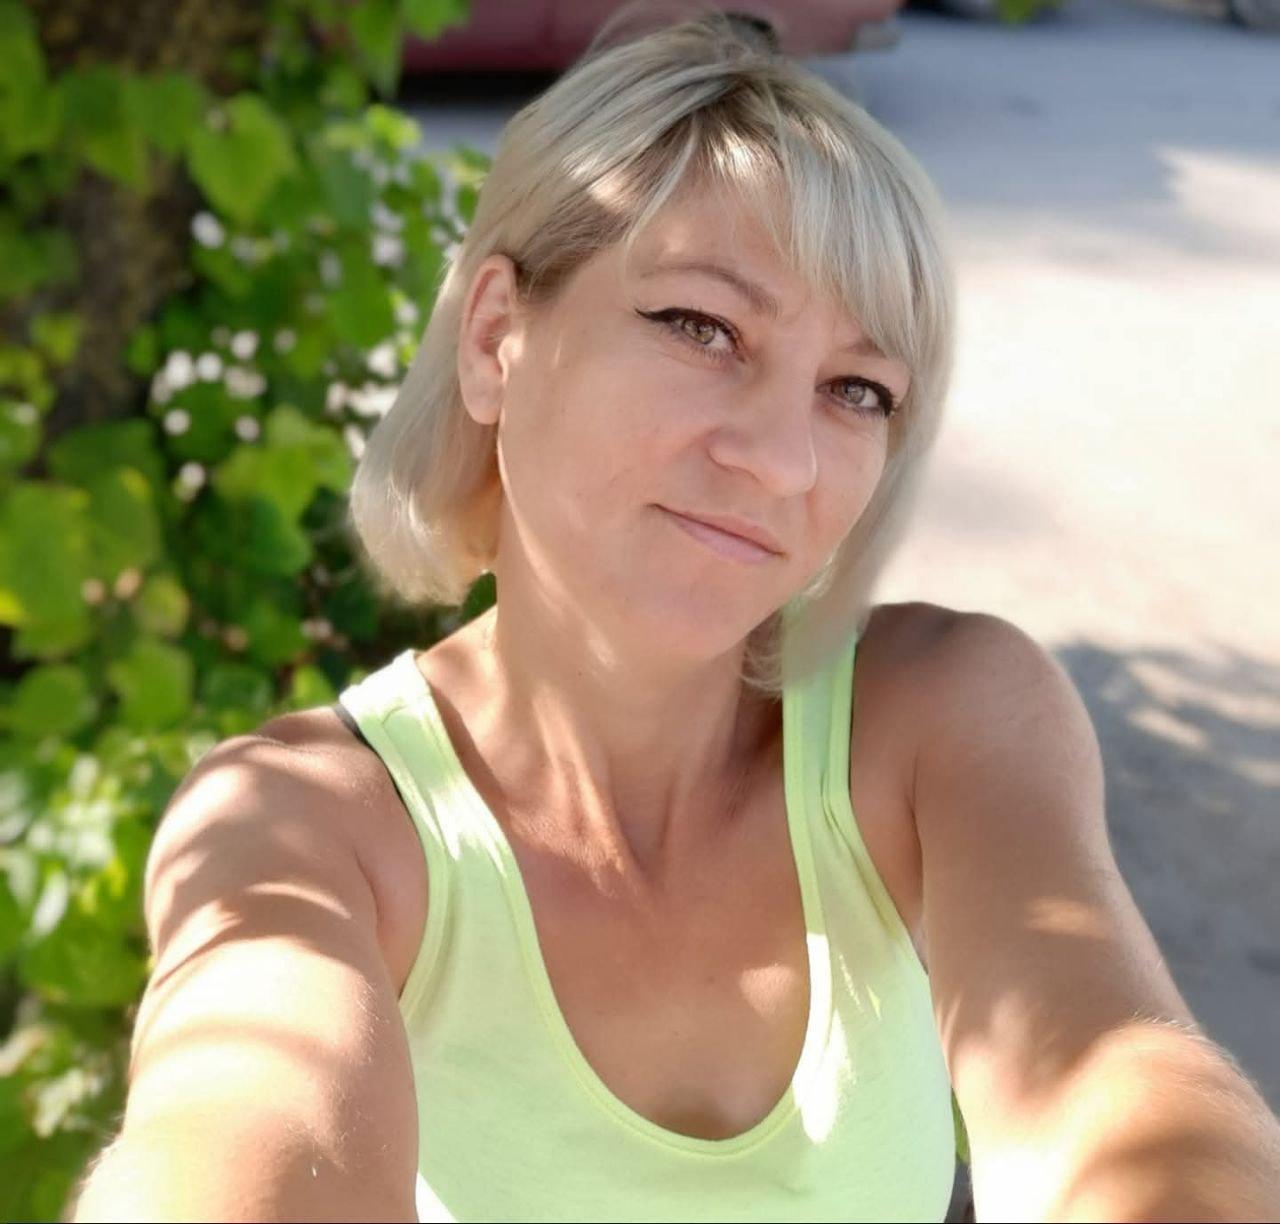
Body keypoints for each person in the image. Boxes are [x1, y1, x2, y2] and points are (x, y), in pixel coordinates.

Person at [72, 10, 1280, 1224]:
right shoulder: (307, 825)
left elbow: (1113, 1074)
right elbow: (243, 1136)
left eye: (856, 390)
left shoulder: (939, 720)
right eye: (701, 328)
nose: (781, 458)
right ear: (494, 338)